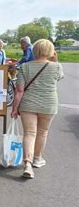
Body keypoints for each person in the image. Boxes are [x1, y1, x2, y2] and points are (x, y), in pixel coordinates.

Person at [11, 39, 63, 179]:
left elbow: (20, 90)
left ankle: (27, 164)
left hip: (28, 104)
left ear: (34, 50)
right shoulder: (57, 67)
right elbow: (59, 78)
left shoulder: (25, 67)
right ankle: (37, 159)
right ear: (51, 52)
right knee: (42, 132)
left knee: (29, 133)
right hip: (49, 104)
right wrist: (55, 60)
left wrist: (15, 108)